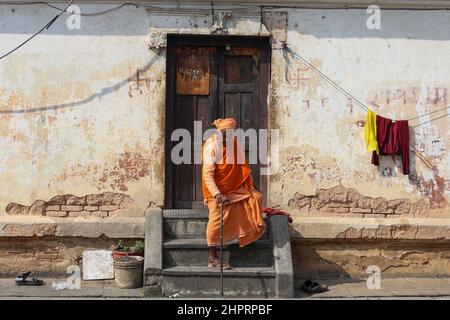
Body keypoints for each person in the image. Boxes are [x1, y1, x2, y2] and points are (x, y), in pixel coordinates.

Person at [202, 117, 266, 268]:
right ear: (219, 132)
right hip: (216, 190)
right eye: (225, 134)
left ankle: (245, 234)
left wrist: (251, 184)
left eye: (230, 134)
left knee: (254, 197)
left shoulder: (234, 142)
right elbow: (207, 174)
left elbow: (241, 166)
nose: (228, 137)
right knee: (216, 219)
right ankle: (212, 256)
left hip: (234, 187)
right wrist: (217, 194)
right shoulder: (212, 145)